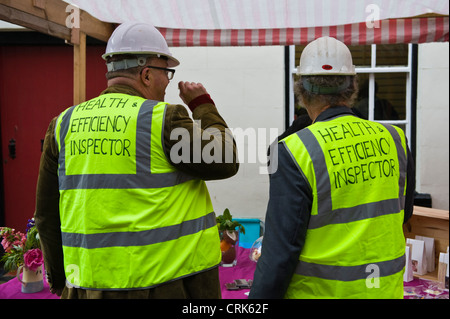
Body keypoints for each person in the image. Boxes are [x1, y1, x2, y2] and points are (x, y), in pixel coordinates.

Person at [34, 22, 239, 299]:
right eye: (166, 72)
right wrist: (203, 104)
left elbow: (46, 215)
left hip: (88, 288)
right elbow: (225, 158)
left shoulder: (63, 125)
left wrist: (61, 281)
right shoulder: (163, 119)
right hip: (166, 287)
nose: (168, 82)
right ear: (145, 74)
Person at [249, 36, 415, 299]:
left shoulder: (293, 150)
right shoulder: (395, 139)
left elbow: (280, 252)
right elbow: (402, 214)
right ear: (352, 87)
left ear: (301, 91)